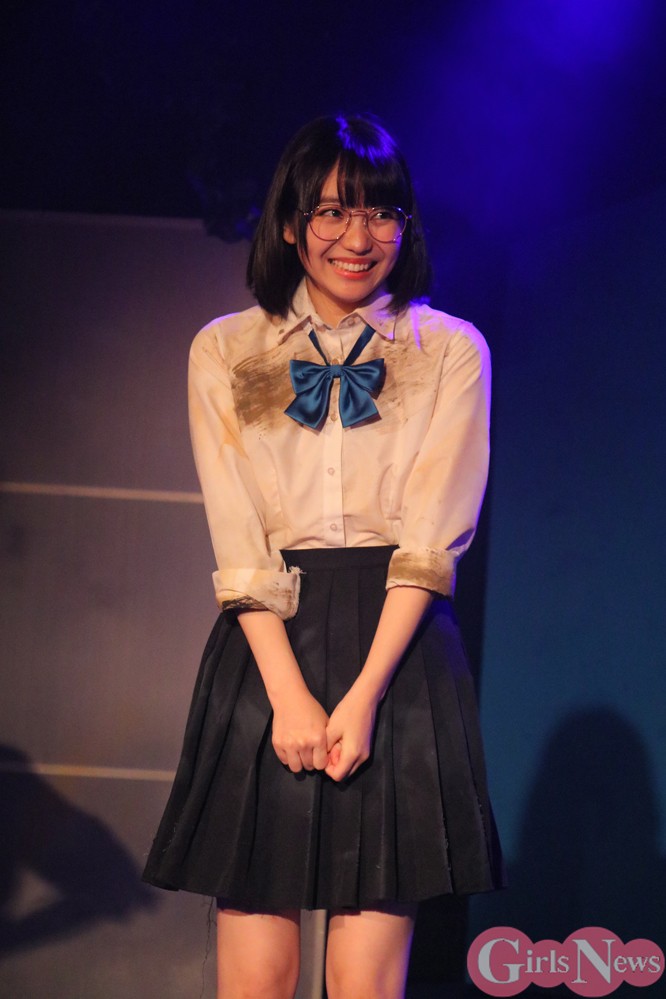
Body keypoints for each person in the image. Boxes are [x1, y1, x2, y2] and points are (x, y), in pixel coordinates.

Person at [143, 113, 505, 999]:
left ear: (407, 226)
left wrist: (366, 691)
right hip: (271, 640)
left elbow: (434, 532)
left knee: (365, 978)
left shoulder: (449, 349)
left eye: (382, 213)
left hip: (401, 648)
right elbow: (236, 528)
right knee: (256, 976)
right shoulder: (227, 348)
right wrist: (289, 693)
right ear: (291, 222)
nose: (359, 237)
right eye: (335, 212)